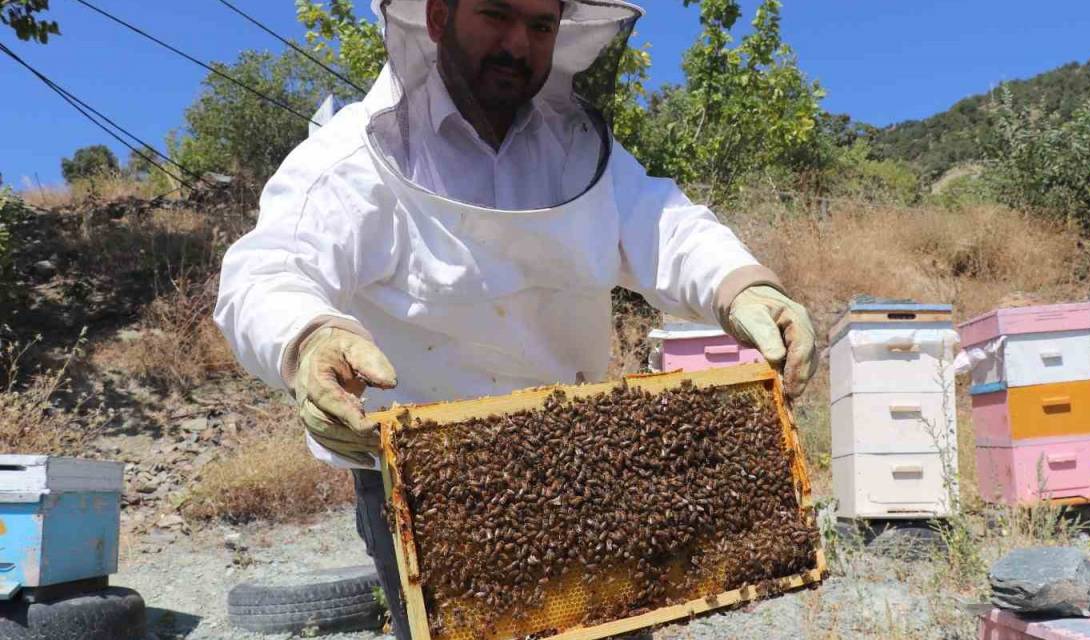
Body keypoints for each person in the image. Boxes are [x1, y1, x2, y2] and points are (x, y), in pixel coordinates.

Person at [214, 0, 817, 636]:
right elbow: (269, 269)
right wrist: (309, 337)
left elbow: (664, 225)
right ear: (440, 18)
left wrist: (741, 286)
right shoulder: (354, 159)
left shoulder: (581, 152)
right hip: (427, 485)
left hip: (586, 469)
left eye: (540, 26)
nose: (518, 45)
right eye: (496, 15)